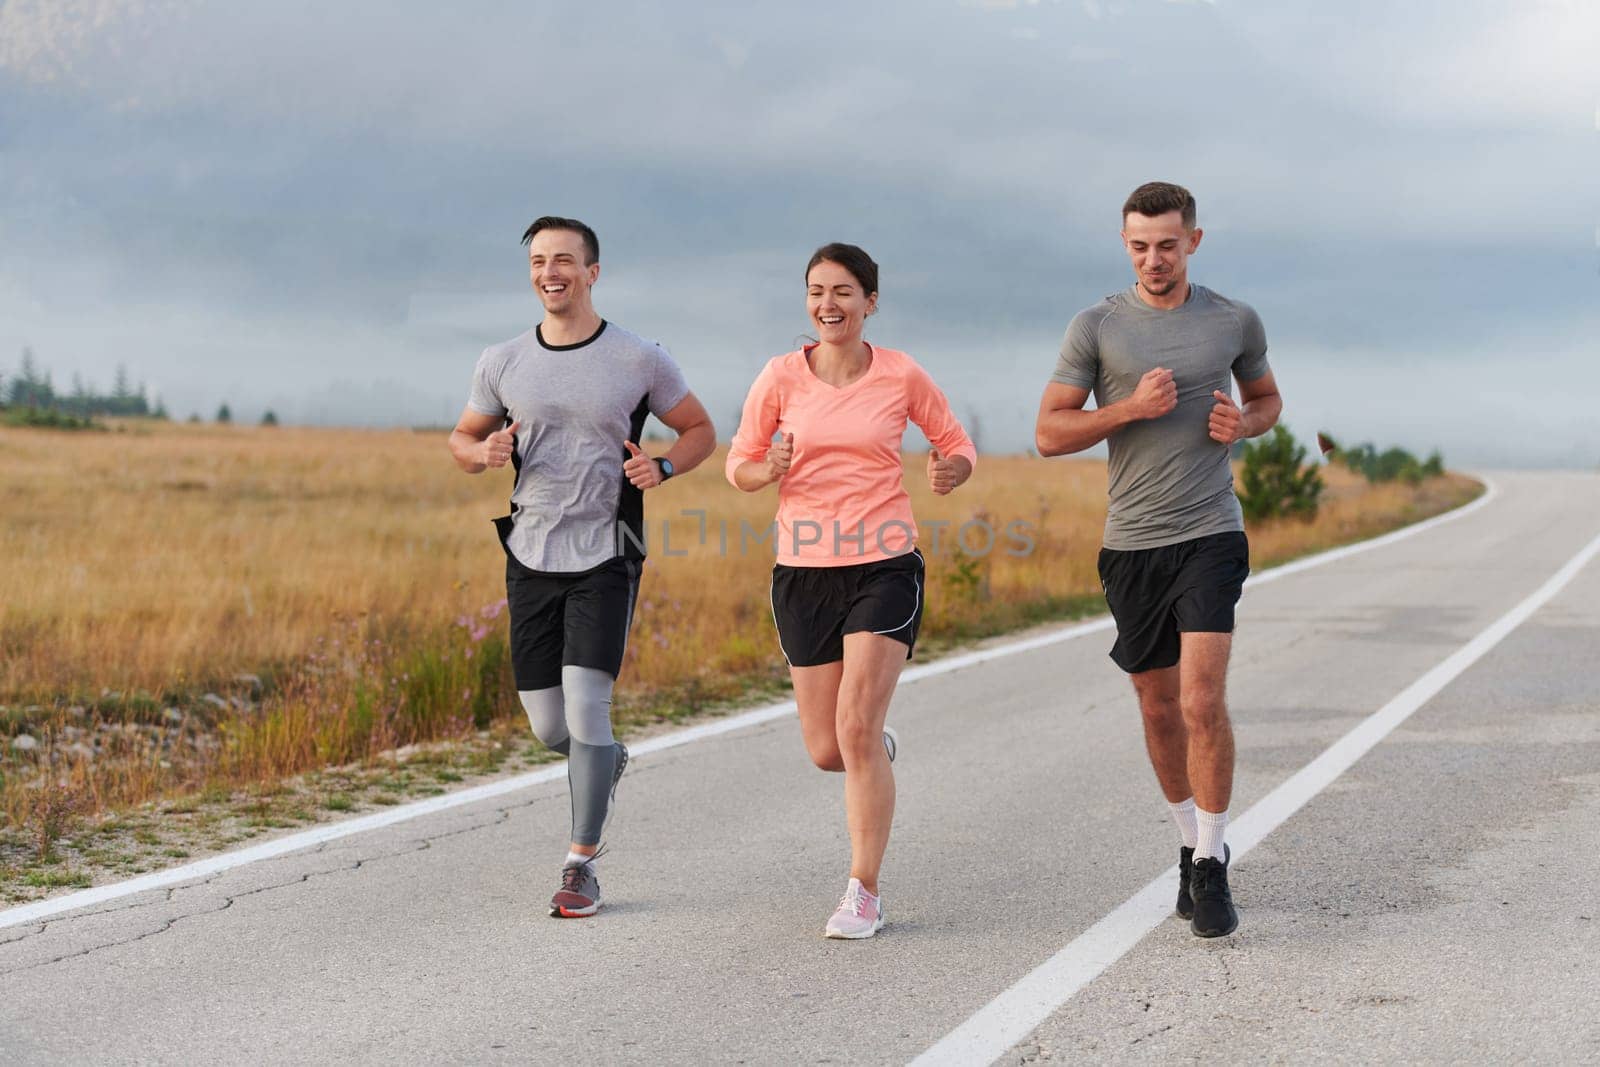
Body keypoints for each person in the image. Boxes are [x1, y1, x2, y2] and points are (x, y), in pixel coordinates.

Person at [1034, 182, 1282, 938]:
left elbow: (1269, 400)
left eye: (1167, 245)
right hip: (1132, 544)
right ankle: (1187, 837)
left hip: (1211, 532)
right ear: (1125, 244)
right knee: (1157, 704)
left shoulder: (1232, 319)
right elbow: (1048, 432)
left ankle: (1211, 863)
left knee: (1203, 699)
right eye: (1140, 245)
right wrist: (1128, 409)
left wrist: (1245, 422)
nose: (1154, 259)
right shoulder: (1098, 326)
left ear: (1194, 242)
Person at [449, 216, 715, 918]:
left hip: (607, 551)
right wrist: (482, 455)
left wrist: (660, 465)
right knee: (549, 728)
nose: (550, 272)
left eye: (564, 259)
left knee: (588, 706)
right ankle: (602, 761)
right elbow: (462, 437)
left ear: (593, 271)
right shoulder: (501, 360)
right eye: (538, 261)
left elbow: (700, 430)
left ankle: (579, 865)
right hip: (530, 552)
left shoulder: (638, 358)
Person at [727, 242, 976, 939]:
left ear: (870, 301)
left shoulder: (900, 374)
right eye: (816, 291)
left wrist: (952, 469)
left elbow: (955, 442)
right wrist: (765, 466)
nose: (827, 305)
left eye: (842, 292)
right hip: (802, 572)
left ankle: (862, 891)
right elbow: (737, 466)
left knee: (856, 726)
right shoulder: (779, 377)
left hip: (884, 564)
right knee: (827, 747)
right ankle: (870, 746)